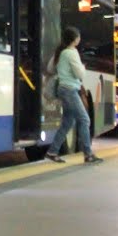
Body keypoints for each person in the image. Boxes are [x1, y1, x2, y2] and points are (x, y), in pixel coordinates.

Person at [43, 25, 103, 164]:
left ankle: (52, 152)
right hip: (70, 90)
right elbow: (79, 73)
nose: (79, 39)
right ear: (75, 39)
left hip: (64, 89)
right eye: (78, 36)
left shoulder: (61, 52)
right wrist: (83, 67)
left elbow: (50, 68)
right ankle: (88, 154)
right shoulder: (71, 52)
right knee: (85, 119)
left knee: (67, 122)